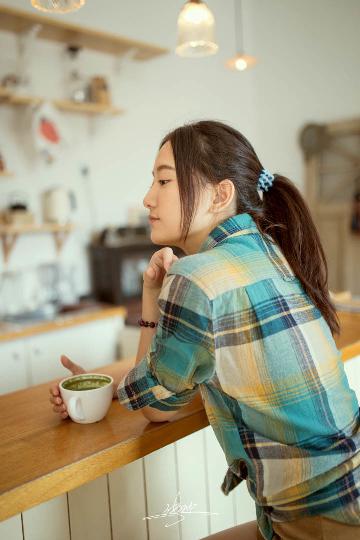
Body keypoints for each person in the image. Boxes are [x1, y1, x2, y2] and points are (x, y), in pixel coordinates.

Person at [49, 120, 360, 540]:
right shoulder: (271, 250)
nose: (147, 198)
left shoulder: (198, 276)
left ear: (221, 194)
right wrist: (150, 298)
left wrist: (148, 299)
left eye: (164, 180)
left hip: (322, 518)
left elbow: (157, 407)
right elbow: (194, 380)